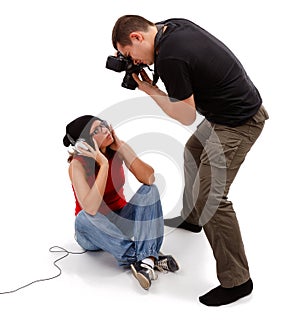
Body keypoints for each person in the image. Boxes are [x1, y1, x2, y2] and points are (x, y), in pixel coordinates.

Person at [110, 15, 269, 305]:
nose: (136, 63)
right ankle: (194, 219)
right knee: (192, 152)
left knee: (212, 197)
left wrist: (152, 91)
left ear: (137, 38)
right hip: (224, 113)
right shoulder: (170, 26)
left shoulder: (171, 57)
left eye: (129, 55)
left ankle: (238, 281)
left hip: (240, 122)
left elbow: (186, 115)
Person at [63, 114, 179, 290]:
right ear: (85, 143)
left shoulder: (117, 150)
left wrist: (123, 148)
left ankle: (145, 261)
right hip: (92, 231)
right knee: (83, 217)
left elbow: (149, 178)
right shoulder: (77, 165)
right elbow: (91, 208)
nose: (105, 129)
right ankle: (148, 257)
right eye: (97, 130)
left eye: (103, 124)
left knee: (150, 190)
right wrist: (103, 165)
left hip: (119, 222)